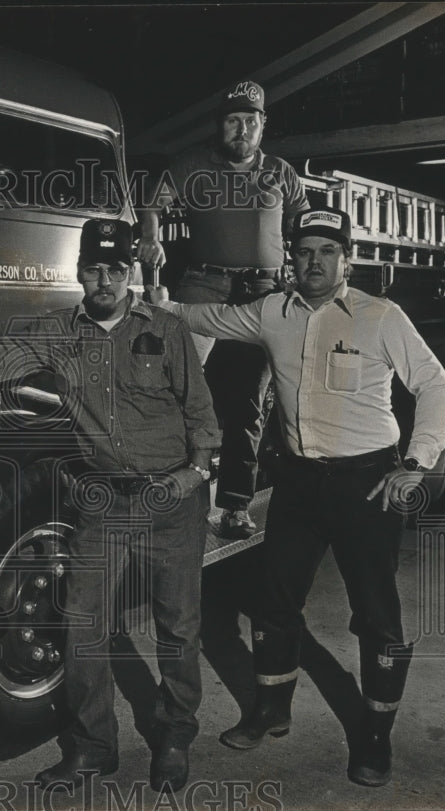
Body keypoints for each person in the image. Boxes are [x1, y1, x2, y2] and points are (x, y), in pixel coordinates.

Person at [145, 207, 445, 787]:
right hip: (297, 483)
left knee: (376, 616)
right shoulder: (271, 312)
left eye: (327, 252)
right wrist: (155, 300)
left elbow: (435, 385)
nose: (314, 262)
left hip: (367, 483)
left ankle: (374, 736)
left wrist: (416, 463)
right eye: (305, 251)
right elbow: (206, 314)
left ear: (347, 260)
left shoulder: (380, 317)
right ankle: (270, 711)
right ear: (291, 256)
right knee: (273, 602)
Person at [0, 219, 221, 794]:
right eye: (92, 268)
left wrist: (195, 475)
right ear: (78, 270)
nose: (103, 280)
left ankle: (176, 735)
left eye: (115, 268)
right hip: (103, 498)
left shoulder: (168, 329)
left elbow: (201, 414)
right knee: (82, 623)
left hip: (171, 496)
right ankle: (93, 747)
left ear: (131, 271)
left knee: (177, 628)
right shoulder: (58, 332)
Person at [137, 79, 309, 540]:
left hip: (264, 292)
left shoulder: (281, 172)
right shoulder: (194, 163)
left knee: (249, 401)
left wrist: (305, 277)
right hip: (204, 283)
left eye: (250, 121)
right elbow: (152, 203)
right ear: (221, 126)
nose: (242, 130)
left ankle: (235, 506)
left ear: (262, 125)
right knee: (180, 388)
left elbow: (305, 228)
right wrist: (151, 236)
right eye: (233, 121)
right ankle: (175, 501)